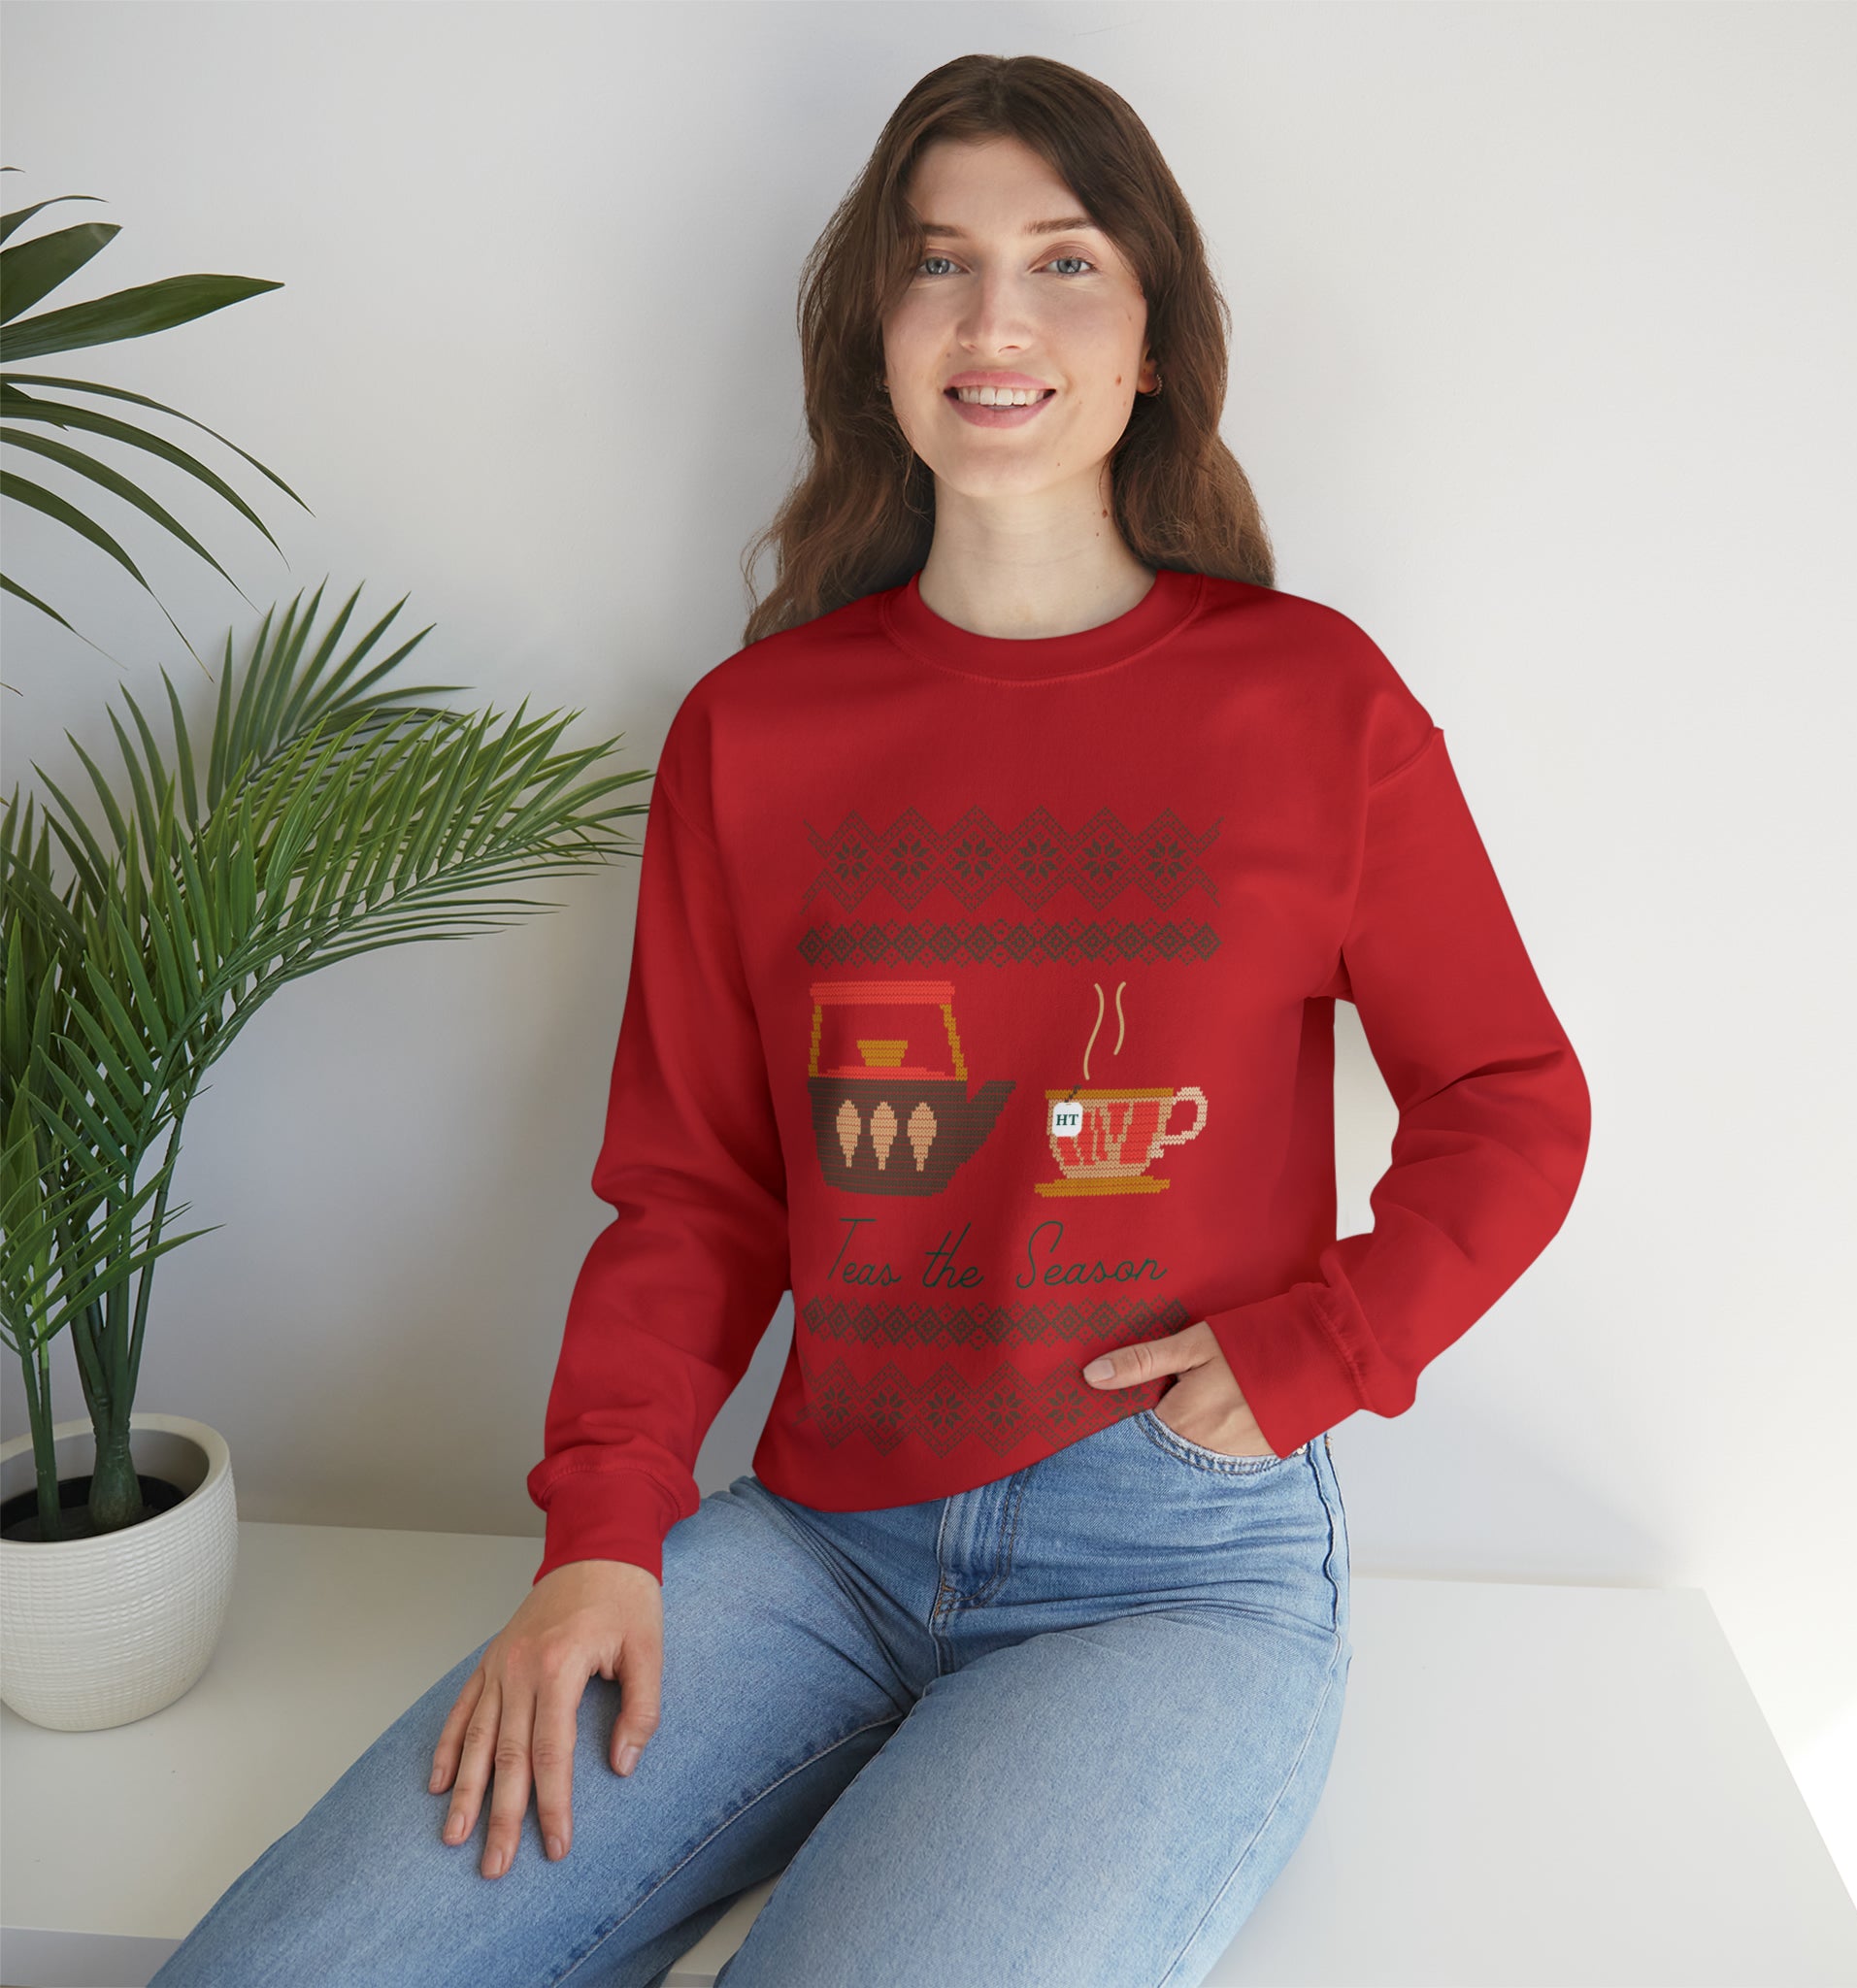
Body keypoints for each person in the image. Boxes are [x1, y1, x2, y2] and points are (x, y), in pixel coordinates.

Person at [150, 51, 1589, 1988]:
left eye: (1063, 263)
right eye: (938, 266)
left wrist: (1324, 1340)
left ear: (1152, 335)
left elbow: (1509, 1097)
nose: (996, 319)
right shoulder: (758, 732)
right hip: (817, 1536)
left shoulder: (1309, 703)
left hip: (1167, 1566)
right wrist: (603, 1529)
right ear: (876, 336)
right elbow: (695, 1193)